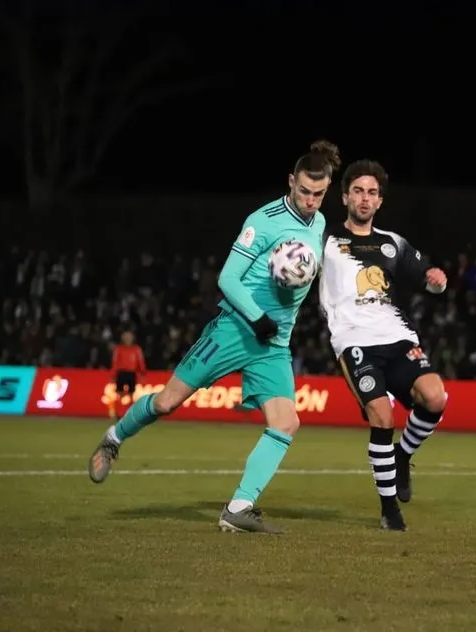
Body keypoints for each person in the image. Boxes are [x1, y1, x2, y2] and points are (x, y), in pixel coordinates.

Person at [87, 140, 340, 534]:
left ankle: (238, 508)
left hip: (272, 345)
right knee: (168, 401)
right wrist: (257, 317)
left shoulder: (320, 224)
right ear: (291, 182)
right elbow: (227, 278)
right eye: (304, 191)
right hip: (236, 330)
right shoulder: (264, 220)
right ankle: (114, 437)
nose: (310, 201)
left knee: (286, 422)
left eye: (318, 194)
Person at [318, 159, 448, 531]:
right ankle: (389, 510)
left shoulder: (394, 243)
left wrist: (436, 281)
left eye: (372, 192)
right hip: (354, 341)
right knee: (383, 417)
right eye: (358, 190)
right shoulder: (324, 240)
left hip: (397, 337)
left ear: (379, 202)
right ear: (344, 196)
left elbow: (429, 279)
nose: (364, 198)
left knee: (435, 398)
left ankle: (403, 456)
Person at [108, 330, 146, 420]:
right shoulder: (119, 349)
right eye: (126, 337)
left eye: (129, 337)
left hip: (131, 373)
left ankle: (130, 413)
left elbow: (140, 361)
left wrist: (143, 372)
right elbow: (115, 362)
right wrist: (113, 375)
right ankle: (118, 412)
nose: (127, 339)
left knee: (131, 393)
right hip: (121, 373)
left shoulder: (136, 349)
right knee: (119, 393)